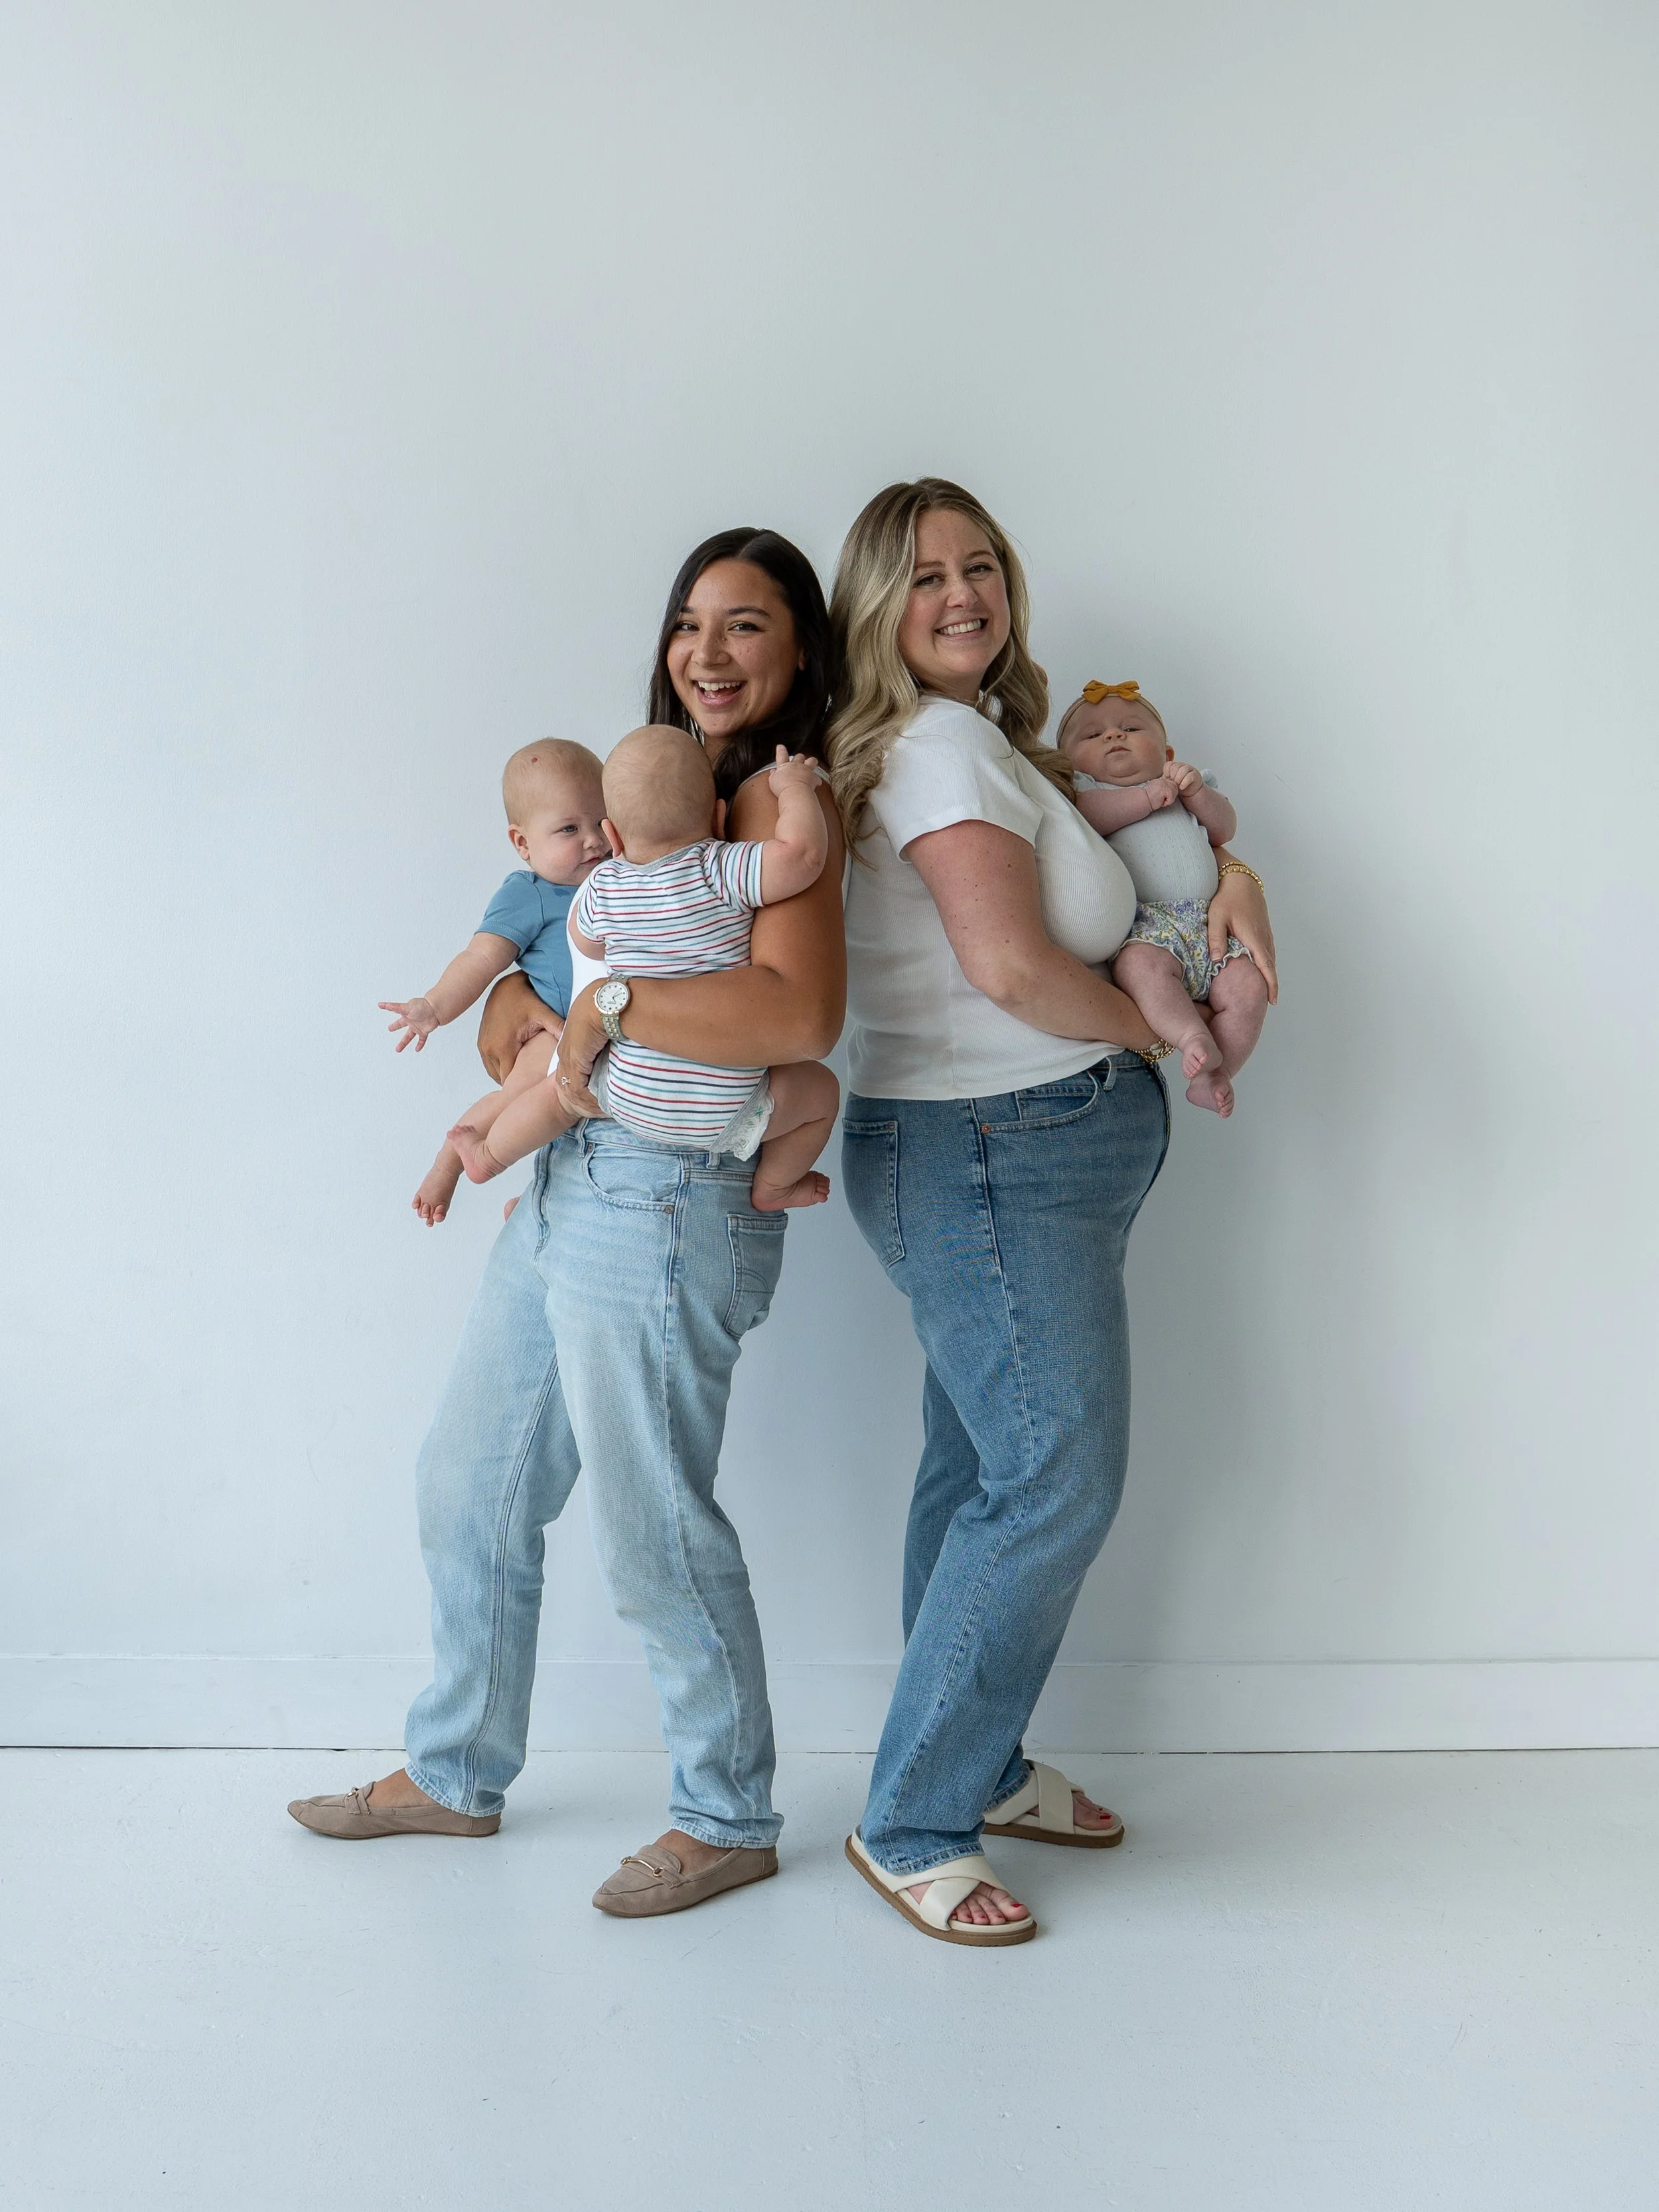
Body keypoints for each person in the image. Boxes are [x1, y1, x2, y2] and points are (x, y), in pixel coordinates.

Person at [288, 529, 846, 1921]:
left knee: (653, 1523)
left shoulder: (779, 825)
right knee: (466, 1478)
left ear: (796, 654)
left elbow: (796, 1019)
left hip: (667, 1199)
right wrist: (521, 1026)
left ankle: (725, 1811)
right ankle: (456, 1769)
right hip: (569, 1178)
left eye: (746, 626)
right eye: (688, 624)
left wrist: (600, 1019)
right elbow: (522, 972)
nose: (707, 653)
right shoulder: (620, 818)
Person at [828, 479, 1277, 1946]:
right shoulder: (939, 747)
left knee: (980, 1472)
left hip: (1018, 1151)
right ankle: (912, 1815)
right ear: (875, 607)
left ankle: (981, 1755)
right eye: (925, 576)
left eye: (981, 567)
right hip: (986, 1148)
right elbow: (1016, 971)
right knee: (1051, 1476)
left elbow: (1146, 868)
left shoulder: (986, 744)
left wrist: (1238, 887)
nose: (962, 594)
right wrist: (1173, 1040)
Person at [447, 726, 839, 1213]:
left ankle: (491, 1155)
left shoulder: (603, 885)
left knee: (559, 1090)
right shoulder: (724, 868)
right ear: (721, 817)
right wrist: (796, 789)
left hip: (627, 1096)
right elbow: (802, 855)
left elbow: (585, 944)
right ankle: (776, 1186)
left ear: (611, 834)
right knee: (822, 1093)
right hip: (723, 1111)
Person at [377, 739, 609, 1224]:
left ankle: (532, 1208)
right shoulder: (532, 894)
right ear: (523, 843)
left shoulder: (623, 878)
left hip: (611, 1033)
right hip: (555, 1032)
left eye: (603, 821)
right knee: (522, 1097)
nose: (595, 840)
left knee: (573, 1132)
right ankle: (456, 1157)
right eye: (569, 828)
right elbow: (482, 957)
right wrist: (434, 1006)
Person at [1059, 679, 1269, 1117]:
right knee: (1143, 972)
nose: (1114, 736)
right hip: (1147, 929)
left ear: (1167, 753)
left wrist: (1197, 793)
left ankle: (1216, 1074)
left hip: (1207, 925)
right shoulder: (1087, 794)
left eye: (1131, 728)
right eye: (1093, 735)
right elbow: (1087, 818)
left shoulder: (1183, 786)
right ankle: (1192, 1037)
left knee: (1250, 986)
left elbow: (1224, 828)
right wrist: (1144, 799)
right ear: (1068, 763)